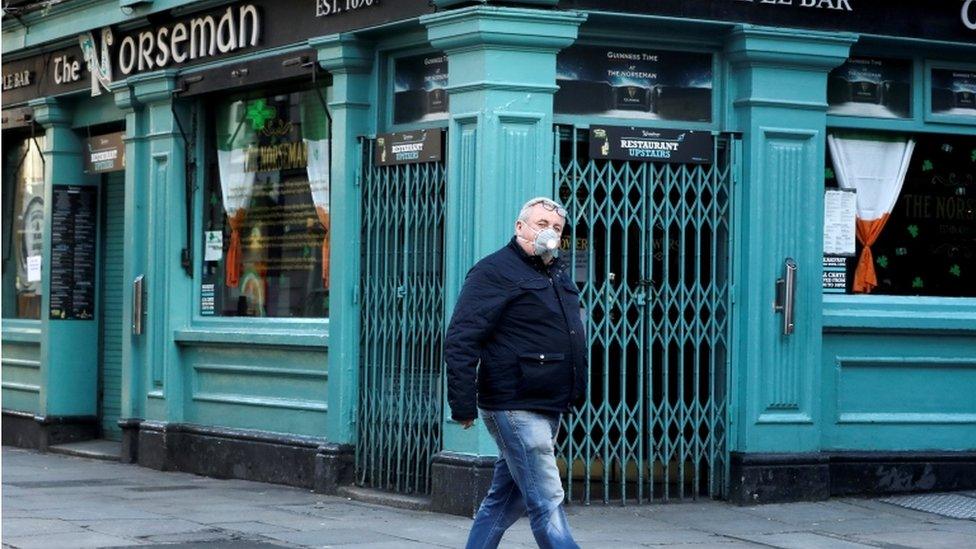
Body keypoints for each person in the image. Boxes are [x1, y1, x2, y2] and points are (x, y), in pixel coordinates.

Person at [445, 196, 588, 549]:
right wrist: (462, 404)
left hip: (548, 401)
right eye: (541, 224)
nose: (550, 232)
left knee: (507, 499)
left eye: (556, 227)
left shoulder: (555, 271)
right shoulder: (493, 270)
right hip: (514, 402)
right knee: (546, 498)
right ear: (519, 227)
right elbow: (462, 337)